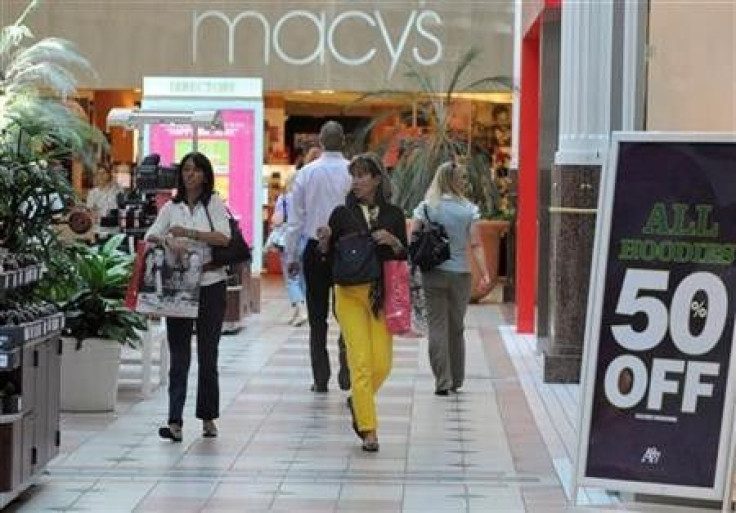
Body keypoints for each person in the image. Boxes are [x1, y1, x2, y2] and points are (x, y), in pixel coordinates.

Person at [319, 152, 407, 452]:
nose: (356, 181)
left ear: (377, 179)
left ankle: (360, 401)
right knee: (360, 362)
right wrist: (324, 242)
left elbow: (403, 255)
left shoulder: (393, 214)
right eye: (353, 175)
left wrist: (393, 242)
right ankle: (368, 429)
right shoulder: (341, 214)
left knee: (382, 363)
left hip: (380, 294)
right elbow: (327, 260)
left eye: (362, 175)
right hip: (349, 296)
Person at [145, 151, 231, 442]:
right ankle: (174, 420)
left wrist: (190, 234)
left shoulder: (214, 204)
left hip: (210, 283)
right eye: (186, 170)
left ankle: (208, 417)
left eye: (195, 170)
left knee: (208, 354)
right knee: (179, 354)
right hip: (179, 287)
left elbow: (224, 237)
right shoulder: (172, 206)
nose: (189, 175)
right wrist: (169, 239)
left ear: (205, 175)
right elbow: (150, 236)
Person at [411, 161, 491, 396]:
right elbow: (475, 244)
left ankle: (442, 381)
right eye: (462, 178)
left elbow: (413, 238)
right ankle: (456, 379)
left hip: (432, 273)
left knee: (437, 326)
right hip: (460, 274)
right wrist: (485, 272)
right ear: (456, 181)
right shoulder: (468, 209)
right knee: (456, 327)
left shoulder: (426, 207)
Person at [285, 121, 352, 393]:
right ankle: (346, 370)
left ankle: (320, 377)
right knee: (347, 312)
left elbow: (295, 220)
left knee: (317, 316)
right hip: (348, 249)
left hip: (315, 248)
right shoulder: (353, 173)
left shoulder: (306, 174)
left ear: (321, 142)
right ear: (344, 141)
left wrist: (291, 255)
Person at [271, 173, 308, 326]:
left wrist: (275, 221)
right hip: (305, 240)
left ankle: (301, 309)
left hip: (289, 241)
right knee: (303, 276)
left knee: (291, 277)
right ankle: (299, 311)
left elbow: (278, 219)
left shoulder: (284, 199)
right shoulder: (307, 199)